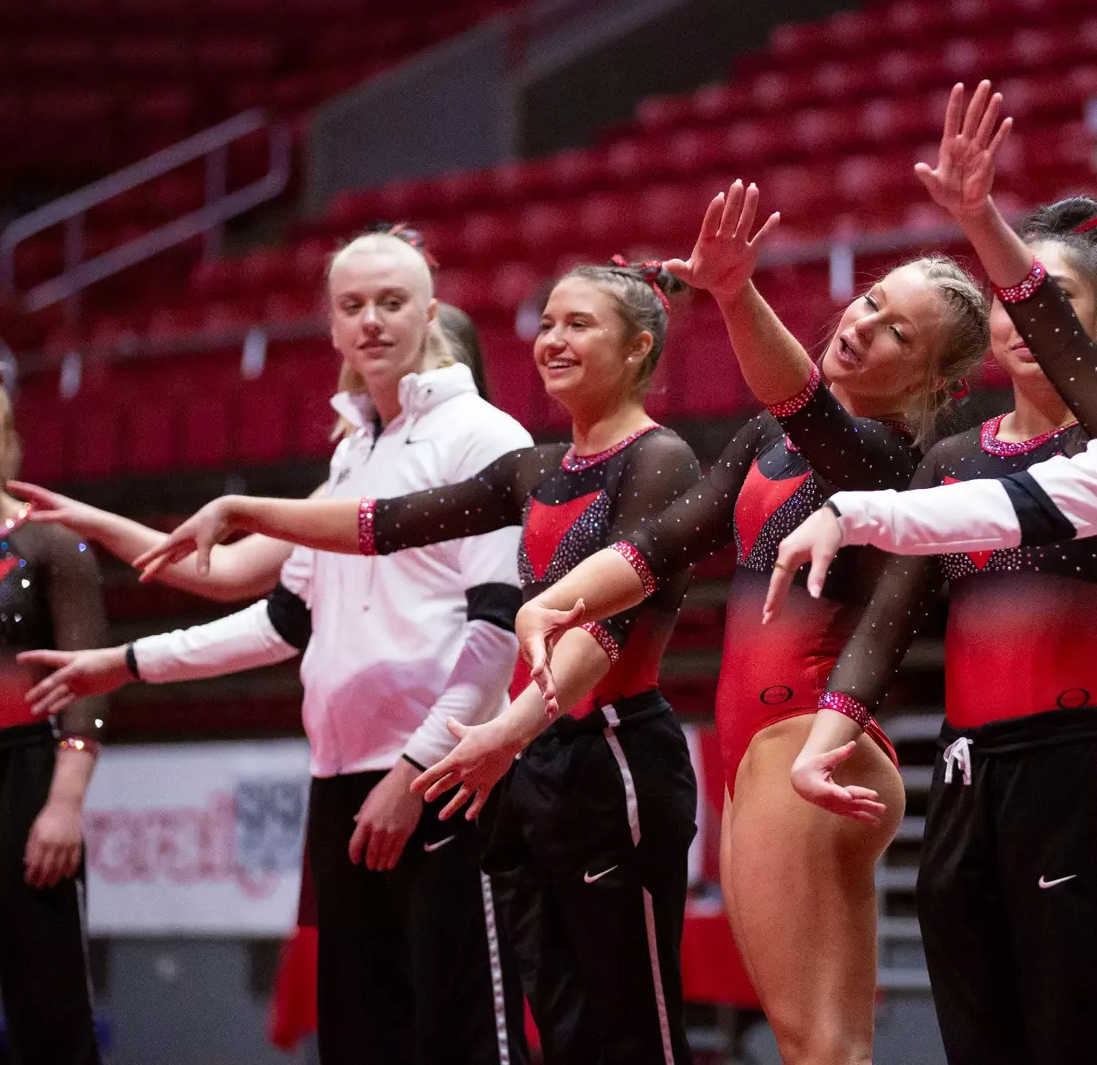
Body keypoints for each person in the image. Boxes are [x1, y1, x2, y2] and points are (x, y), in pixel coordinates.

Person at [118, 260, 706, 1064]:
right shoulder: (534, 471)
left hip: (612, 749)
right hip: (536, 759)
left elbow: (605, 626)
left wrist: (506, 729)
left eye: (580, 325)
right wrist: (243, 507)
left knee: (632, 1026)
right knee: (562, 1023)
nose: (553, 340)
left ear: (641, 347)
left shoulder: (661, 459)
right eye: (547, 323)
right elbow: (382, 524)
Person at [20, 230, 534, 1065]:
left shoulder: (484, 438)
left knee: (463, 1031)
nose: (371, 322)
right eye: (352, 306)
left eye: (392, 303)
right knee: (364, 1033)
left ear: (430, 312)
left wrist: (414, 773)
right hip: (339, 779)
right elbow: (282, 623)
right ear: (329, 327)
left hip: (441, 779)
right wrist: (126, 662)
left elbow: (496, 626)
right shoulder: (350, 458)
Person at [505, 181, 988, 1064]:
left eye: (897, 333)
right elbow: (662, 541)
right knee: (832, 1048)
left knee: (813, 1046)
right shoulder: (772, 435)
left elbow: (806, 403)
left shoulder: (886, 456)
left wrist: (734, 295)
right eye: (872, 300)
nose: (864, 324)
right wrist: (555, 599)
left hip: (799, 738)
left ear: (934, 381)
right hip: (783, 747)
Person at [765, 82, 1097, 1065]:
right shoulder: (953, 459)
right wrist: (826, 737)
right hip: (967, 768)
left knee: (1075, 1033)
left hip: (1083, 758)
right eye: (1016, 293)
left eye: (1057, 299)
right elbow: (891, 618)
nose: (1029, 317)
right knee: (977, 1034)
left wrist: (979, 217)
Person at [6, 299, 495, 604]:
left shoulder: (482, 455)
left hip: (451, 730)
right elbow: (227, 571)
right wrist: (96, 522)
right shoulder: (346, 473)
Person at [0, 353, 106, 1065]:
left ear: (10, 443)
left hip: (23, 785)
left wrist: (64, 805)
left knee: (48, 1005)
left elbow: (88, 694)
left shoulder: (51, 545)